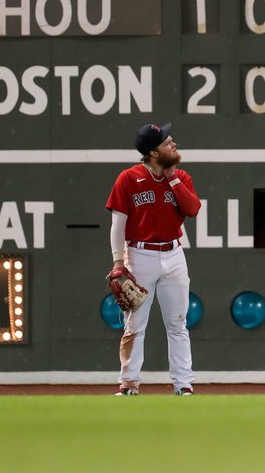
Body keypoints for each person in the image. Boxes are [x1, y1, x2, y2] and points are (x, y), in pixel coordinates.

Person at [105, 122, 201, 396]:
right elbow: (118, 223)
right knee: (135, 323)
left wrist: (173, 179)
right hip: (139, 254)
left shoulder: (181, 176)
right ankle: (129, 383)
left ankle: (183, 383)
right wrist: (118, 262)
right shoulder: (128, 178)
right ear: (154, 152)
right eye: (166, 142)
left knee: (178, 322)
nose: (173, 143)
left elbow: (192, 208)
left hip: (174, 254)